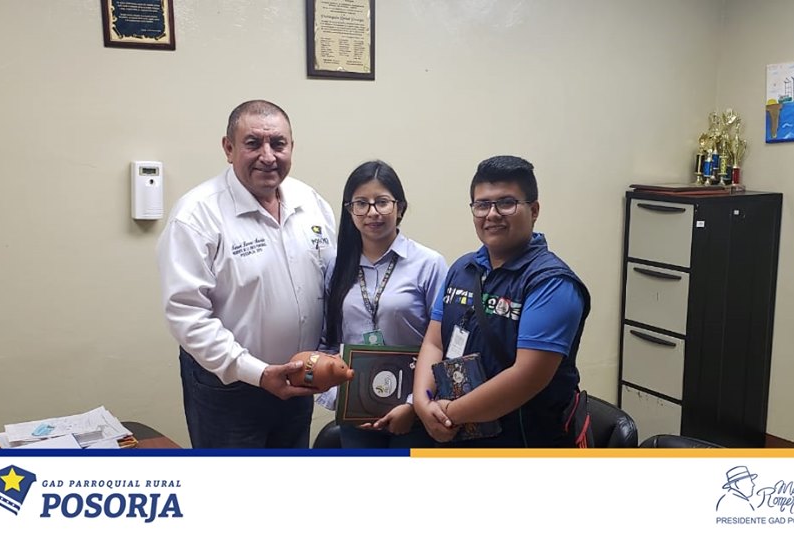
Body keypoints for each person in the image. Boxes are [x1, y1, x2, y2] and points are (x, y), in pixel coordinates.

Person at [156, 100, 336, 448]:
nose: (268, 156)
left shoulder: (311, 202)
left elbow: (331, 284)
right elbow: (186, 314)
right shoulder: (196, 215)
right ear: (228, 148)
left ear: (291, 147)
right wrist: (257, 373)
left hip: (299, 381)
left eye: (278, 144)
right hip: (229, 388)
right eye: (253, 143)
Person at [412, 155, 591, 447]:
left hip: (523, 443)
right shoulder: (462, 269)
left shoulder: (551, 283)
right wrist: (422, 401)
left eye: (506, 203)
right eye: (482, 205)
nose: (492, 214)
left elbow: (526, 377)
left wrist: (449, 414)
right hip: (455, 434)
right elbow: (435, 343)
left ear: (534, 210)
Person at [321, 160, 448, 449]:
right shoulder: (336, 266)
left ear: (400, 208)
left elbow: (444, 343)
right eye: (361, 203)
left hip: (415, 415)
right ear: (349, 210)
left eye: (382, 202)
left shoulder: (429, 264)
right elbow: (327, 341)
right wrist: (340, 399)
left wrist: (414, 405)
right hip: (356, 417)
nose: (372, 212)